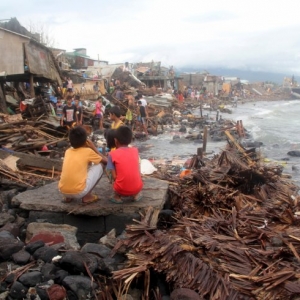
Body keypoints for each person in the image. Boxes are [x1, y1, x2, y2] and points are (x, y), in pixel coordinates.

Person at [58, 126, 107, 204]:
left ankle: (68, 198)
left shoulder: (68, 151)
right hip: (79, 192)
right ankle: (87, 196)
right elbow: (106, 161)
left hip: (63, 191)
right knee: (101, 165)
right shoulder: (88, 151)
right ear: (85, 141)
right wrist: (94, 148)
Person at [106, 126, 143, 204]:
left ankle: (117, 197)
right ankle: (135, 195)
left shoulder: (112, 154)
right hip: (138, 187)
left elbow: (114, 177)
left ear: (115, 141)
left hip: (121, 189)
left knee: (108, 168)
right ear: (130, 140)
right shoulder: (135, 151)